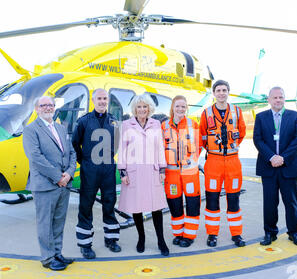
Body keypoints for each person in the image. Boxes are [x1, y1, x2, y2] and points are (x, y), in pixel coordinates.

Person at [23, 96, 77, 271]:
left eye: (51, 105)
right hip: (45, 185)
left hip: (64, 184)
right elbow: (36, 158)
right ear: (37, 109)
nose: (48, 108)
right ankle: (47, 258)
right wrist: (58, 177)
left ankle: (57, 253)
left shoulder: (61, 128)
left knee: (58, 222)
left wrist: (68, 174)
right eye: (43, 105)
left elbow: (71, 153)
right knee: (45, 223)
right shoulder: (31, 130)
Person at [72, 88, 121, 259]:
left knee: (109, 203)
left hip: (108, 169)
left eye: (105, 98)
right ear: (93, 100)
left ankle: (111, 239)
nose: (102, 101)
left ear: (108, 100)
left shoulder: (114, 121)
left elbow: (116, 144)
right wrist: (84, 161)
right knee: (86, 206)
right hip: (90, 169)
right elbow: (74, 144)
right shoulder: (83, 121)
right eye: (99, 98)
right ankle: (85, 244)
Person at [117, 94, 169, 256]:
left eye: (144, 106)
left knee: (156, 207)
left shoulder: (155, 124)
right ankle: (142, 238)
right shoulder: (126, 125)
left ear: (149, 109)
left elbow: (159, 147)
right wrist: (123, 171)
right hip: (134, 171)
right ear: (134, 109)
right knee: (136, 207)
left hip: (152, 170)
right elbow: (122, 149)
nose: (142, 110)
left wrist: (162, 169)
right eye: (139, 107)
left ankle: (161, 240)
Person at [253, 86, 297, 247]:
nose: (278, 100)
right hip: (268, 167)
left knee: (291, 202)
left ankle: (293, 233)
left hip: (289, 166)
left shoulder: (295, 116)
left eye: (281, 97)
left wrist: (282, 158)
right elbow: (258, 139)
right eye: (274, 97)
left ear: (284, 99)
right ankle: (270, 233)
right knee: (269, 203)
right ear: (269, 100)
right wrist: (271, 157)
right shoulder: (261, 117)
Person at [199, 80, 247, 248]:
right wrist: (214, 150)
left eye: (224, 90)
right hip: (213, 162)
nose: (221, 93)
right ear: (214, 93)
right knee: (212, 200)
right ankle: (212, 234)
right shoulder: (206, 113)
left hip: (233, 162)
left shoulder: (237, 111)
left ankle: (236, 234)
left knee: (234, 200)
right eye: (218, 90)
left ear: (228, 92)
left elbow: (241, 133)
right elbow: (203, 137)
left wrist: (230, 148)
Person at [161, 95, 202, 248]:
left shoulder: (193, 125)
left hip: (190, 174)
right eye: (177, 106)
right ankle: (178, 233)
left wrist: (191, 162)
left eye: (183, 107)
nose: (180, 109)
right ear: (172, 107)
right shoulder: (164, 126)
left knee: (192, 204)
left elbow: (199, 146)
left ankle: (189, 235)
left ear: (187, 108)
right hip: (171, 174)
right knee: (174, 204)